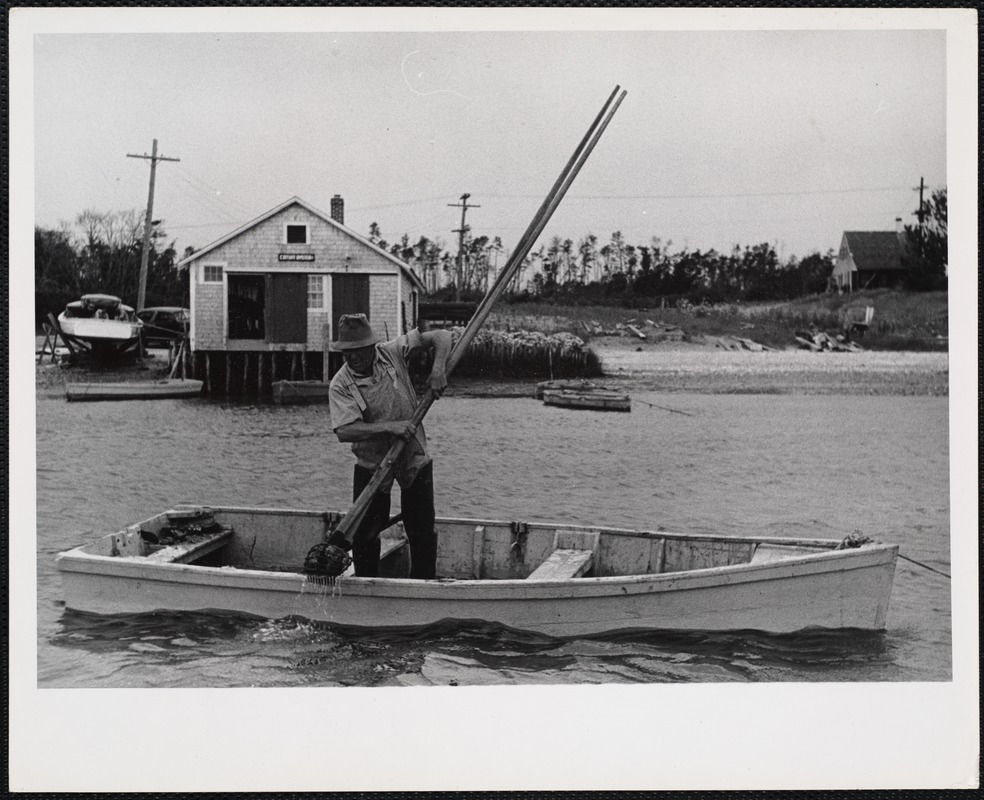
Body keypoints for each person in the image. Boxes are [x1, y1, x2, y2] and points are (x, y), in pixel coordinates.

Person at [327, 314, 453, 578]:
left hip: (412, 455)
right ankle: (367, 591)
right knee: (365, 536)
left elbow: (443, 336)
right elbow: (344, 431)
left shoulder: (393, 352)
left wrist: (438, 369)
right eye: (346, 352)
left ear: (372, 346)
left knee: (422, 531)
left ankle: (423, 590)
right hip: (372, 465)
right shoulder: (340, 384)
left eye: (358, 350)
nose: (353, 357)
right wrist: (390, 426)